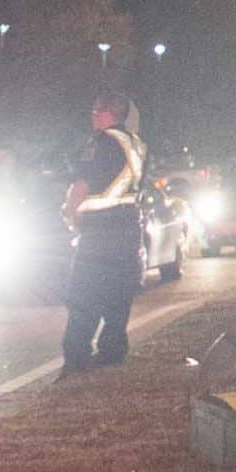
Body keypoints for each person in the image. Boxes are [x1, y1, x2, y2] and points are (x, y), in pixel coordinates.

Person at [60, 96, 146, 371]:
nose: (93, 116)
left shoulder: (102, 142)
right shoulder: (137, 144)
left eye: (96, 111)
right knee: (118, 295)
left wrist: (69, 211)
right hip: (128, 228)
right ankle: (112, 352)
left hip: (100, 232)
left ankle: (76, 360)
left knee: (83, 294)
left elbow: (83, 182)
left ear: (108, 114)